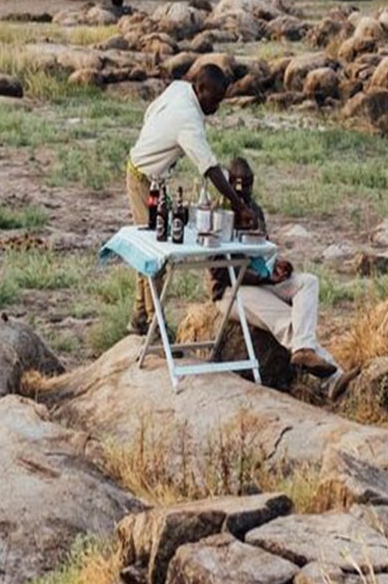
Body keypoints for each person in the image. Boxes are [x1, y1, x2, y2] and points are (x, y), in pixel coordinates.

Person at [125, 63, 247, 336]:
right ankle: (155, 326)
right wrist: (238, 205)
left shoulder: (180, 88)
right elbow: (209, 168)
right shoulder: (188, 119)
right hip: (143, 179)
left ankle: (139, 315)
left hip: (153, 177)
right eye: (214, 100)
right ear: (201, 89)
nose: (215, 108)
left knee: (150, 248)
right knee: (154, 253)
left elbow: (150, 113)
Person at [209, 155, 341, 381]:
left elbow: (263, 252)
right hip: (232, 289)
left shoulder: (254, 210)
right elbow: (221, 272)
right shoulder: (218, 213)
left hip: (261, 278)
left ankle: (304, 351)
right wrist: (264, 279)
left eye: (248, 187)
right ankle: (334, 378)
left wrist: (278, 265)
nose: (244, 194)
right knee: (287, 320)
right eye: (239, 187)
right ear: (229, 184)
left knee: (308, 282)